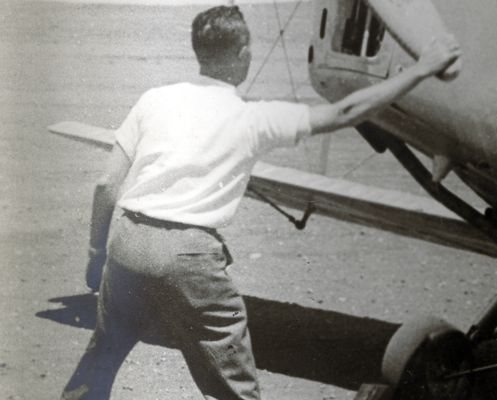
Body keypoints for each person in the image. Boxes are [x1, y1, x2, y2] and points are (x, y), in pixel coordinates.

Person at [61, 5, 460, 400]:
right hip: (190, 258)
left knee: (99, 363)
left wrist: (97, 255)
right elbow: (346, 111)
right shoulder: (252, 118)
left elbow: (107, 185)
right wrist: (422, 68)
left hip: (128, 241)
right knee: (235, 389)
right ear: (243, 53)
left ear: (199, 50)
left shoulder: (154, 99)